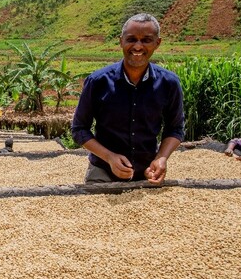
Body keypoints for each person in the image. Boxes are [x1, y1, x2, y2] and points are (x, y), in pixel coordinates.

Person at [71, 13, 185, 184]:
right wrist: (109, 157)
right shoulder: (98, 82)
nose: (138, 46)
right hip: (103, 171)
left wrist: (161, 158)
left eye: (146, 40)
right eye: (131, 39)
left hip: (148, 172)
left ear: (157, 43)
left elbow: (175, 129)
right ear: (121, 41)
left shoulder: (169, 83)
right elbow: (79, 129)